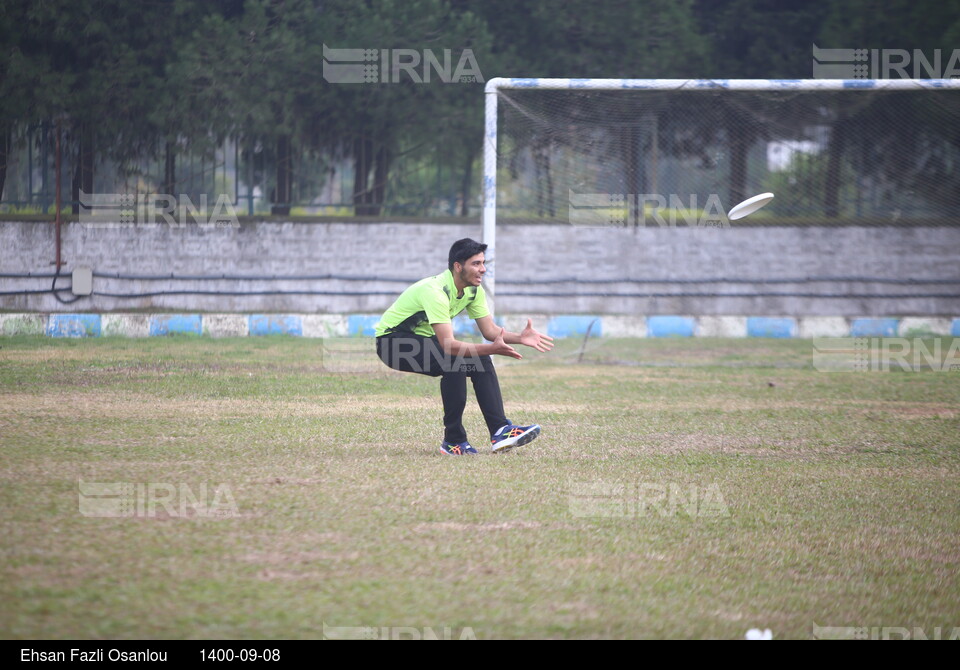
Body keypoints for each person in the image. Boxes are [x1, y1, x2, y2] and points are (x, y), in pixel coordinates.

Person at [375, 238, 554, 455]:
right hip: (392, 343)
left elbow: (489, 331)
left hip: (423, 341)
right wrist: (492, 348)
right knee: (455, 359)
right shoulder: (435, 291)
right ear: (458, 266)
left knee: (477, 360)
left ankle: (500, 431)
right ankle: (453, 440)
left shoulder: (473, 290)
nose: (483, 269)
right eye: (476, 264)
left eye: (483, 263)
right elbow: (449, 346)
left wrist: (520, 337)